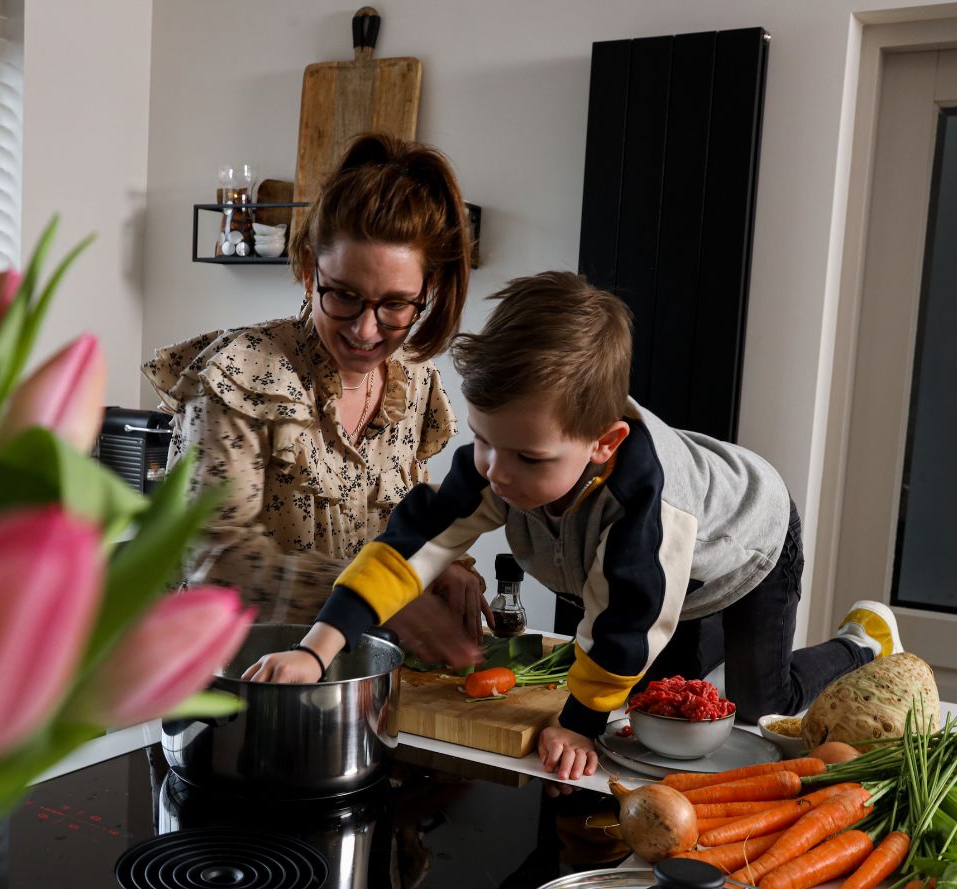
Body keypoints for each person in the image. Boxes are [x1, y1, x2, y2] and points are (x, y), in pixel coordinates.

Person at [245, 270, 902, 780]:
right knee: (663, 707)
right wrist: (316, 649)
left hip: (749, 540)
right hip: (671, 574)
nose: (496, 473)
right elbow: (404, 551)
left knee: (762, 707)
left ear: (605, 443)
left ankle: (861, 643)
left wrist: (579, 725)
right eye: (482, 441)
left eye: (528, 458)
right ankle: (705, 653)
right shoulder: (502, 456)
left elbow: (626, 622)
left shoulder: (644, 505)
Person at [142, 133, 490, 654]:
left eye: (396, 304)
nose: (367, 331)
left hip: (343, 669)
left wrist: (440, 566)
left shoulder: (413, 385)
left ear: (428, 290)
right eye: (344, 296)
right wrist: (377, 599)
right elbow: (212, 556)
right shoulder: (241, 375)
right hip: (213, 673)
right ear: (309, 270)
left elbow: (403, 520)